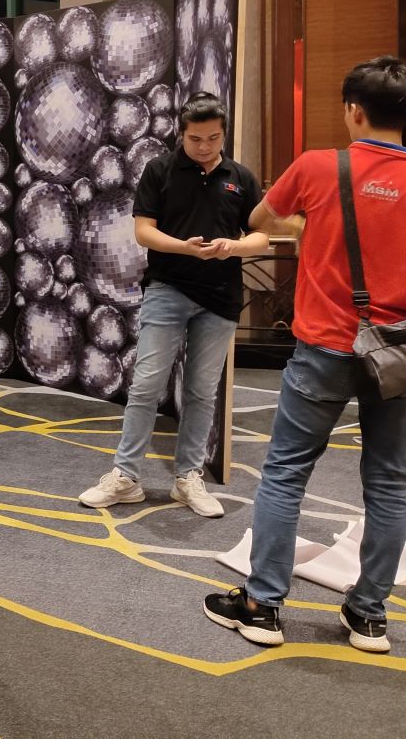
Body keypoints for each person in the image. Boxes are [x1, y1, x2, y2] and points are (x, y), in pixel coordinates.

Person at [204, 57, 406, 653]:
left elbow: (259, 219)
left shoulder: (317, 167)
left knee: (285, 474)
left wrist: (314, 224)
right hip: (402, 355)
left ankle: (262, 607)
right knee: (388, 483)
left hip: (322, 349)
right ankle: (368, 616)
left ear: (353, 110)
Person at [79, 92, 268, 517]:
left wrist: (234, 247)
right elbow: (143, 231)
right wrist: (185, 247)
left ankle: (188, 479)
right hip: (168, 289)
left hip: (220, 298)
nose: (204, 146)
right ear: (181, 134)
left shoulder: (240, 177)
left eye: (213, 138)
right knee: (146, 386)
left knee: (201, 391)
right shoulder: (159, 170)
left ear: (223, 134)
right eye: (196, 138)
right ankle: (126, 477)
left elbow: (261, 236)